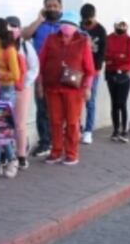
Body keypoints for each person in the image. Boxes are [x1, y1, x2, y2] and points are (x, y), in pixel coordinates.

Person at [39, 12, 95, 165]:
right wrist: (40, 83)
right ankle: (56, 151)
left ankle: (71, 153)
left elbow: (90, 69)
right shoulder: (51, 39)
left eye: (70, 24)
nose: (67, 26)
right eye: (64, 23)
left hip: (73, 90)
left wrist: (87, 87)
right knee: (55, 121)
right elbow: (41, 62)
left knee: (72, 122)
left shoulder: (83, 42)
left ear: (76, 26)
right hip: (52, 87)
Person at [22, 0, 64, 157]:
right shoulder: (40, 25)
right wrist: (39, 19)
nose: (52, 9)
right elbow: (24, 35)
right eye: (49, 6)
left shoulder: (65, 25)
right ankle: (45, 142)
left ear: (60, 8)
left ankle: (57, 141)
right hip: (41, 75)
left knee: (58, 110)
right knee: (42, 109)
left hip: (60, 74)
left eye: (55, 6)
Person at [0, 17, 22, 178]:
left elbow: (15, 74)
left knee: (0, 127)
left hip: (6, 91)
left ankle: (12, 158)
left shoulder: (10, 50)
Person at [7, 16, 38, 169]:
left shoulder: (26, 46)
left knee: (19, 123)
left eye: (14, 26)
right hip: (4, 88)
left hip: (21, 89)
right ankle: (6, 154)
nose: (11, 29)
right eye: (8, 26)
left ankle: (21, 155)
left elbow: (34, 68)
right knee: (4, 122)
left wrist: (23, 83)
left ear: (19, 29)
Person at [79, 3, 107, 145]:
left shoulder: (101, 30)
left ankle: (88, 131)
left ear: (94, 16)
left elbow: (102, 52)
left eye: (89, 18)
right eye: (85, 19)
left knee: (90, 100)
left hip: (93, 70)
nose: (87, 22)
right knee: (76, 100)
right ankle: (77, 128)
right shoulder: (79, 27)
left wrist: (97, 68)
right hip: (79, 70)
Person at [105, 18, 130, 142]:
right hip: (111, 74)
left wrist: (115, 58)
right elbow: (106, 56)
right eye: (119, 25)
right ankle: (115, 130)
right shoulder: (108, 38)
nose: (121, 27)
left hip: (124, 75)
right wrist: (120, 56)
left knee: (122, 103)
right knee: (114, 103)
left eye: (124, 25)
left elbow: (129, 59)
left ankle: (124, 130)